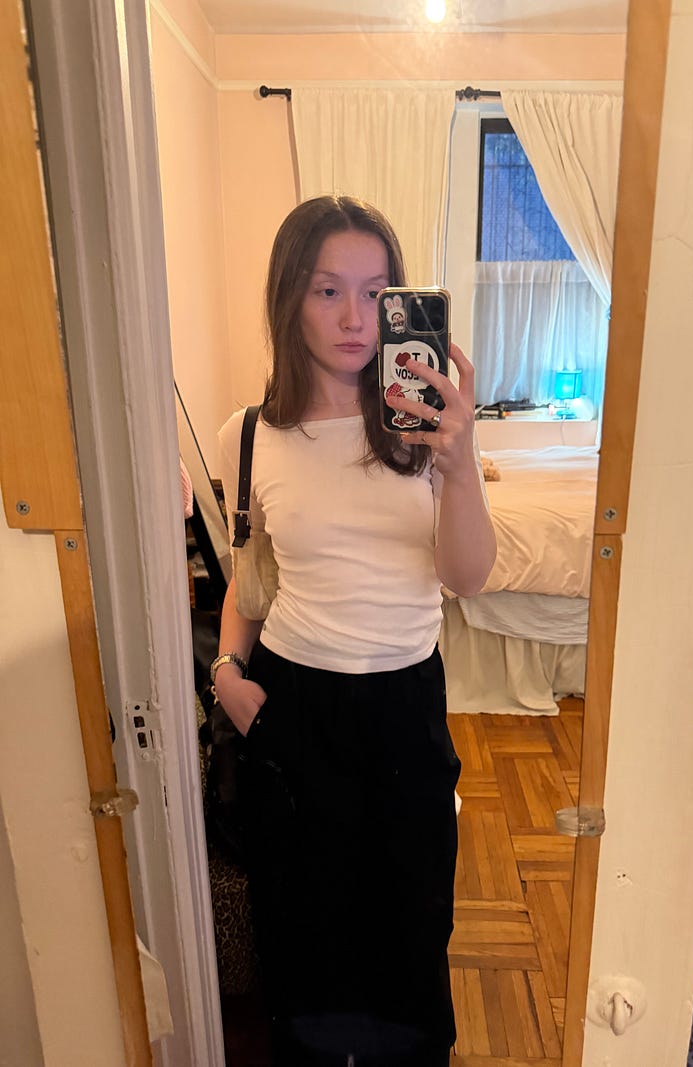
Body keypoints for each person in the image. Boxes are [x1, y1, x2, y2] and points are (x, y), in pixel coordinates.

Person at [213, 195, 496, 1066]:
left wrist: (460, 464)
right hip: (292, 704)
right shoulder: (247, 437)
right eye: (326, 289)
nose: (353, 318)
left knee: (411, 921)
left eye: (375, 293)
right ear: (289, 298)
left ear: (400, 302)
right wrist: (227, 674)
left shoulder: (424, 432)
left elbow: (467, 577)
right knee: (302, 925)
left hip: (406, 703)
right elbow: (251, 577)